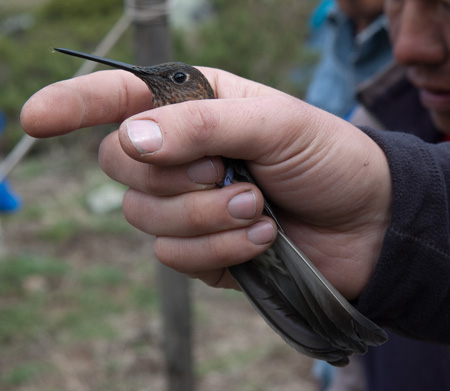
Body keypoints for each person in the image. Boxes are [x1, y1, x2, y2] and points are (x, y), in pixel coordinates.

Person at [20, 0, 450, 349]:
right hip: (261, 227)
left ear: (196, 90)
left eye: (174, 77)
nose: (157, 80)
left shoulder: (217, 120)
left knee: (268, 268)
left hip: (263, 211)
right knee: (261, 268)